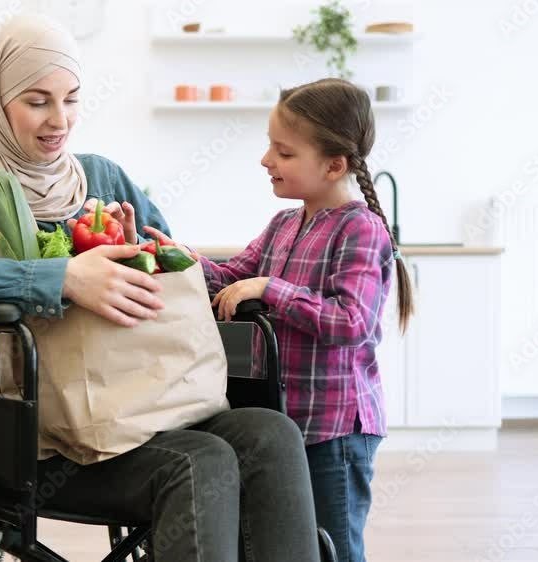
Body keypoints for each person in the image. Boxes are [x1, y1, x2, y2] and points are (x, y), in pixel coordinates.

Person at [0, 14, 320, 561]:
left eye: (71, 99)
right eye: (37, 101)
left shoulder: (105, 180)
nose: (60, 120)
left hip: (144, 400)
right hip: (36, 434)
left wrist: (141, 256)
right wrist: (63, 277)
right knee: (201, 461)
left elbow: (176, 274)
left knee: (271, 433)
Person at [149, 78, 415, 562]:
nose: (266, 159)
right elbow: (227, 276)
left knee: (332, 545)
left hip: (335, 431)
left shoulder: (361, 228)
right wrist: (170, 255)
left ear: (334, 165)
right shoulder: (284, 225)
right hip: (285, 425)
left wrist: (272, 288)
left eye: (284, 152)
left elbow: (351, 320)